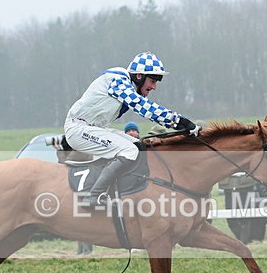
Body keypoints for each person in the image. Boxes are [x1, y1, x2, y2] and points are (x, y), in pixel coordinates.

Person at [63, 52, 199, 207]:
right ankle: (94, 195)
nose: (154, 87)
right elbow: (143, 107)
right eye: (152, 81)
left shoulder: (127, 84)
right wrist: (180, 121)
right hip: (78, 129)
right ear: (139, 76)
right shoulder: (118, 80)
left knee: (138, 145)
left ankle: (126, 190)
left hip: (91, 128)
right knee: (129, 151)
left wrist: (180, 125)